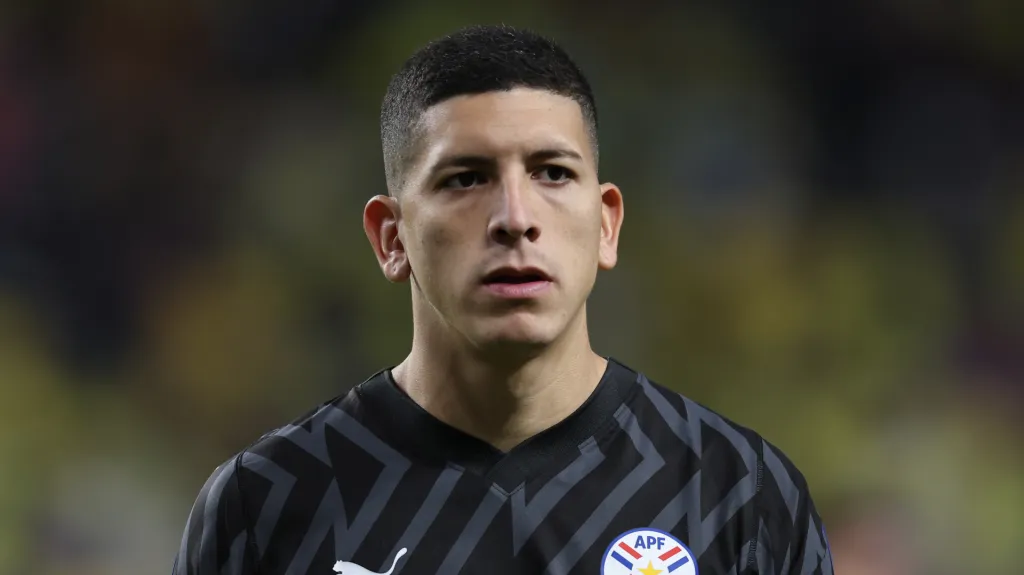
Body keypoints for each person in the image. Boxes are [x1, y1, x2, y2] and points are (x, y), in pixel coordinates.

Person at [173, 24, 834, 575]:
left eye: (552, 172)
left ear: (606, 223)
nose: (515, 216)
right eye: (466, 178)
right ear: (391, 236)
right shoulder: (265, 506)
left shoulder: (739, 494)